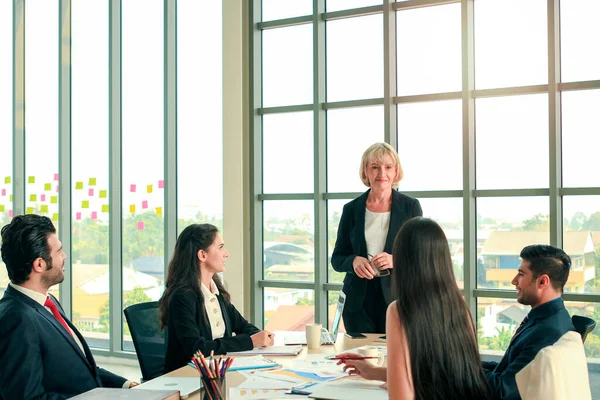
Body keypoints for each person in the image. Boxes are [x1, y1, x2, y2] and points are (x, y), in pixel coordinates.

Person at [337, 217, 493, 399]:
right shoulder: (459, 305)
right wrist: (373, 372)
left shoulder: (399, 311)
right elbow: (434, 375)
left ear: (403, 260)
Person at [0, 214, 136, 400]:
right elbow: (27, 398)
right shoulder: (17, 318)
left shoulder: (48, 302)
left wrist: (127, 386)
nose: (64, 256)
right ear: (40, 264)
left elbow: (81, 370)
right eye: (59, 251)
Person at [331, 142, 422, 333]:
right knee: (361, 359)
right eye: (375, 167)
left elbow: (420, 257)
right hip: (357, 303)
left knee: (393, 359)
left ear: (396, 171)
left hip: (397, 299)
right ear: (366, 171)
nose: (382, 173)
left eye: (388, 167)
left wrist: (394, 259)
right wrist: (354, 261)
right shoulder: (351, 209)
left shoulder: (411, 207)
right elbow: (337, 259)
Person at [159, 223, 274, 373]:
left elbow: (242, 326)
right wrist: (250, 341)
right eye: (220, 247)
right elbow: (196, 349)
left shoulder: (215, 290)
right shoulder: (182, 297)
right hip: (188, 377)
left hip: (216, 371)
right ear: (202, 255)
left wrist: (262, 336)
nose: (226, 254)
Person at [482, 244, 574, 400]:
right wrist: (466, 364)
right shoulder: (549, 318)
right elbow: (509, 368)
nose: (514, 281)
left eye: (521, 274)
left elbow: (503, 391)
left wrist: (460, 370)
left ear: (542, 282)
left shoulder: (548, 332)